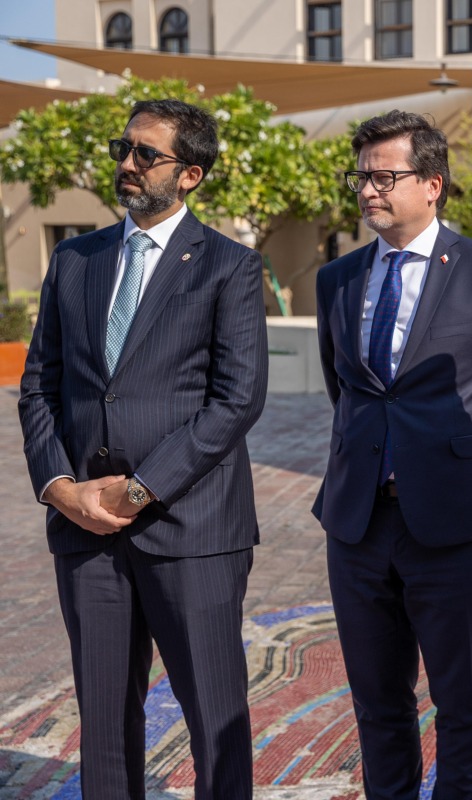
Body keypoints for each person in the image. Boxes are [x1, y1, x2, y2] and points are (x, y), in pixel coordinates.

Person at [18, 99, 268, 799]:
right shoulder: (75, 259)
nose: (127, 164)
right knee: (102, 723)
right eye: (123, 149)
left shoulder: (229, 267)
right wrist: (60, 488)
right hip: (85, 531)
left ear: (190, 174)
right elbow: (39, 387)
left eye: (146, 154)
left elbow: (236, 400)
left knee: (214, 718)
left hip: (192, 529)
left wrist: (140, 489)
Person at [311, 110, 472, 799]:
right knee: (377, 700)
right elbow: (347, 391)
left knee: (461, 701)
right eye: (361, 177)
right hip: (357, 525)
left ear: (433, 184)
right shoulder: (337, 279)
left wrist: (470, 477)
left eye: (385, 177)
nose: (368, 190)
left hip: (454, 527)